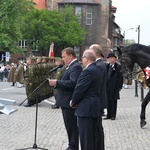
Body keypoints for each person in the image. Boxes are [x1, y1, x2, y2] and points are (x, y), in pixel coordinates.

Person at [49, 47, 82, 150]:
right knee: (69, 126)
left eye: (64, 56)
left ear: (71, 56)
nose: (62, 59)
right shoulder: (69, 67)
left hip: (69, 101)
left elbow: (73, 83)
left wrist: (57, 82)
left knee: (72, 125)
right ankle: (71, 145)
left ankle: (73, 146)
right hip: (65, 101)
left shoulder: (75, 67)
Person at [70, 49, 103, 150]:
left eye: (83, 57)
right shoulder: (98, 69)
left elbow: (80, 89)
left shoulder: (88, 71)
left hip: (86, 109)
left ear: (87, 59)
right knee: (95, 137)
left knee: (86, 139)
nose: (82, 59)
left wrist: (73, 101)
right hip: (95, 107)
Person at [89, 44, 106, 150]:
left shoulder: (98, 66)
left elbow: (96, 85)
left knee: (97, 129)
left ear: (94, 53)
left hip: (97, 101)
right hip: (99, 100)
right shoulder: (100, 64)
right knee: (97, 128)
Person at [104, 52, 123, 120]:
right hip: (107, 86)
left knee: (113, 101)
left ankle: (113, 115)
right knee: (108, 101)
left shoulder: (118, 67)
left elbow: (120, 77)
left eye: (112, 58)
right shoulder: (107, 66)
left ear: (114, 59)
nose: (110, 59)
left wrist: (120, 86)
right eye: (109, 58)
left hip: (114, 86)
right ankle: (108, 114)